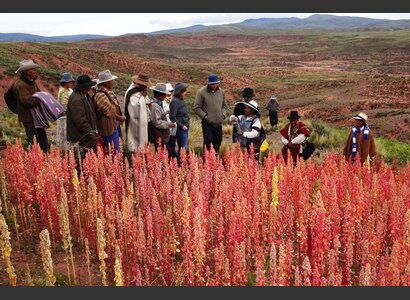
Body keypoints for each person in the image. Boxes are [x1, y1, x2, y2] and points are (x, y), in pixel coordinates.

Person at [12, 59, 48, 152]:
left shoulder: (31, 82)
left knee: (42, 141)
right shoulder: (21, 84)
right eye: (33, 69)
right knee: (33, 143)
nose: (36, 71)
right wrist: (42, 99)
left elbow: (38, 94)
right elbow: (28, 102)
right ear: (26, 72)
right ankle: (33, 162)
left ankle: (42, 160)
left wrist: (43, 97)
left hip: (36, 117)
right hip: (29, 118)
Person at [66, 74, 99, 157]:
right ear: (85, 86)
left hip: (85, 136)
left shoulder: (84, 95)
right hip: (81, 137)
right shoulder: (76, 99)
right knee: (84, 159)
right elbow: (80, 120)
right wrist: (90, 132)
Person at [94, 70, 125, 154]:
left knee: (117, 150)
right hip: (108, 127)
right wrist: (121, 118)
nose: (113, 82)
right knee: (113, 151)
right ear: (106, 83)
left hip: (114, 125)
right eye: (111, 81)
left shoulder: (108, 92)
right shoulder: (100, 95)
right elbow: (109, 111)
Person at [193, 74, 226, 153]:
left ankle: (215, 161)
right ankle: (206, 162)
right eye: (212, 84)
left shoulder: (221, 92)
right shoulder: (201, 92)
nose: (214, 85)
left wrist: (223, 115)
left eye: (216, 83)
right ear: (208, 83)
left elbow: (224, 106)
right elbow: (196, 108)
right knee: (208, 144)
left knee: (218, 143)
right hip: (207, 123)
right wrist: (205, 117)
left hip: (218, 122)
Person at [124, 73, 152, 153]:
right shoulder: (132, 91)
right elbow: (134, 106)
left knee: (141, 140)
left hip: (141, 122)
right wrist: (142, 97)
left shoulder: (139, 90)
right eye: (144, 85)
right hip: (134, 122)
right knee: (135, 140)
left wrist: (144, 97)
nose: (146, 87)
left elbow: (147, 101)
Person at [149, 83, 176, 154]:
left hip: (160, 135)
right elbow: (156, 122)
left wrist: (164, 114)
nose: (165, 96)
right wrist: (168, 124)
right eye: (164, 94)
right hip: (158, 135)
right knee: (167, 154)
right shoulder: (155, 105)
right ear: (160, 95)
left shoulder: (158, 104)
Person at [55, 72, 75, 151]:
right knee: (65, 136)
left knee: (63, 136)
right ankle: (64, 152)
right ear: (66, 83)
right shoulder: (64, 93)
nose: (72, 83)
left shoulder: (65, 90)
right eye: (70, 82)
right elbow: (65, 106)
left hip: (64, 117)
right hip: (65, 117)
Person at [169, 82, 189, 153]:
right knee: (182, 149)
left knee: (184, 148)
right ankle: (180, 163)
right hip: (181, 129)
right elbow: (172, 116)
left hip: (184, 128)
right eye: (184, 91)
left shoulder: (180, 100)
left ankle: (181, 163)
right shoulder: (175, 101)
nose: (185, 93)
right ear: (180, 92)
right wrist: (182, 126)